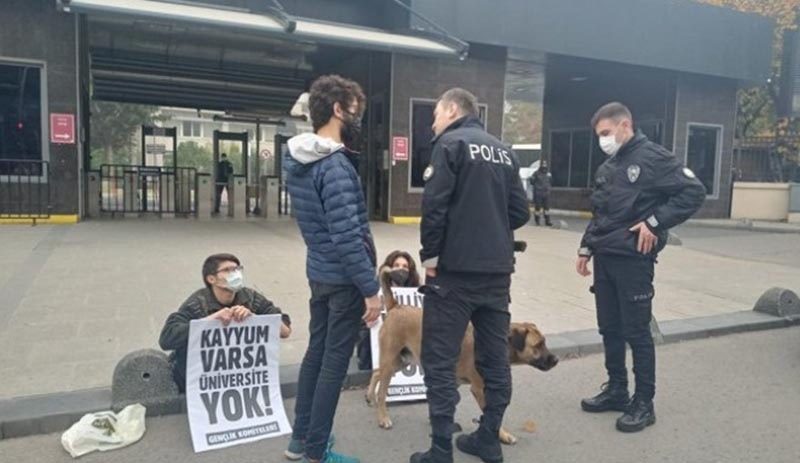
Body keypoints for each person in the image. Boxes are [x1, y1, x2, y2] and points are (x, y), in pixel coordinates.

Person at [411, 88, 530, 463]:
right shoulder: (504, 151)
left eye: (434, 115)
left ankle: (441, 449)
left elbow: (434, 206)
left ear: (451, 109)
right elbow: (520, 212)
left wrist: (430, 257)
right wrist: (491, 228)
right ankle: (488, 438)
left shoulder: (450, 144)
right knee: (495, 359)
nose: (433, 123)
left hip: (454, 274)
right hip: (496, 274)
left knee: (439, 359)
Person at [576, 102, 705, 433]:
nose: (603, 140)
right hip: (605, 256)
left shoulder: (653, 158)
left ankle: (644, 402)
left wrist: (654, 222)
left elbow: (693, 192)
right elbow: (601, 214)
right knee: (610, 328)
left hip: (634, 260)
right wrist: (586, 247)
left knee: (637, 331)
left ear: (625, 125)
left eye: (606, 133)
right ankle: (617, 390)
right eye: (599, 135)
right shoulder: (609, 167)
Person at [283, 74, 381, 463]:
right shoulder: (336, 166)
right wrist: (371, 289)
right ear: (338, 110)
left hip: (319, 272)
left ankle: (299, 439)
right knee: (333, 366)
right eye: (355, 113)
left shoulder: (300, 159)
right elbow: (347, 236)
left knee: (316, 355)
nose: (358, 121)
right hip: (343, 279)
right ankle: (317, 450)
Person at [158, 253, 291, 392]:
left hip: (239, 378)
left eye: (237, 269)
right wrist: (210, 320)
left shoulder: (251, 298)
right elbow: (167, 339)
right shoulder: (197, 304)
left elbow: (285, 331)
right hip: (201, 379)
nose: (235, 274)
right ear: (211, 279)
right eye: (227, 270)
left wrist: (254, 318)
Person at [356, 250, 422, 370]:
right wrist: (368, 321)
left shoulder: (418, 296)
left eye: (405, 267)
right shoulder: (374, 294)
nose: (400, 269)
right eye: (396, 266)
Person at [530, 160, 553, 226]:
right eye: (543, 164)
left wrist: (548, 190)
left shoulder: (548, 174)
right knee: (538, 208)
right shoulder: (536, 173)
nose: (544, 166)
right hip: (538, 193)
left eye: (545, 164)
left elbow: (551, 182)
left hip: (546, 193)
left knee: (547, 208)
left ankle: (547, 221)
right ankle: (537, 220)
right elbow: (532, 181)